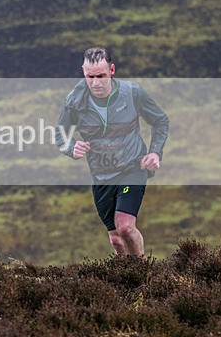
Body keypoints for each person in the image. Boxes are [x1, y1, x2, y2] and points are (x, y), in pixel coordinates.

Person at [55, 47, 169, 257]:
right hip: (101, 175)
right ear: (83, 72)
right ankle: (125, 279)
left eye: (101, 76)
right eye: (90, 76)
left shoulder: (132, 92)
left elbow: (160, 121)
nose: (96, 83)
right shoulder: (74, 101)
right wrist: (72, 148)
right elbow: (59, 134)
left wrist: (155, 152)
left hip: (132, 167)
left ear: (112, 70)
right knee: (116, 238)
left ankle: (141, 275)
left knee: (125, 226)